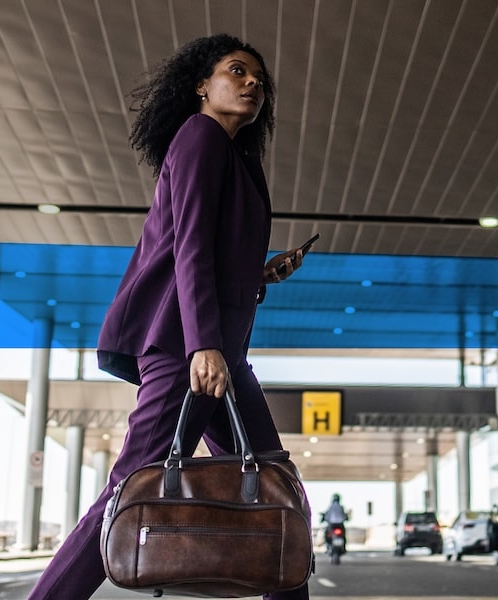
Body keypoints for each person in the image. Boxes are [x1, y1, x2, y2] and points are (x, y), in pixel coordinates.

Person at [27, 34, 309, 600]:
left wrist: (260, 274)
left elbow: (213, 252)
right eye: (238, 71)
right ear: (202, 85)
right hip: (191, 349)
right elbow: (190, 248)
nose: (253, 83)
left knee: (278, 487)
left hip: (223, 353)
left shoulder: (235, 156)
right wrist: (202, 344)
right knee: (129, 488)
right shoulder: (200, 135)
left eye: (260, 79)